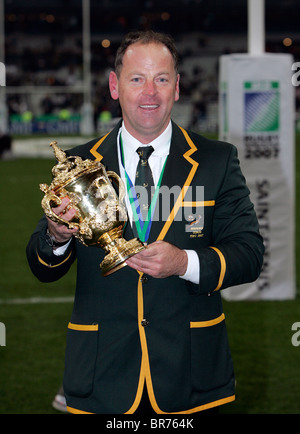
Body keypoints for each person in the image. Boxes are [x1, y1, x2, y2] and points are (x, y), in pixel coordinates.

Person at [26, 30, 264, 415]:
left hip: (191, 378)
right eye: (137, 78)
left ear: (178, 87)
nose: (150, 92)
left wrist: (183, 263)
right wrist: (57, 235)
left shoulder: (216, 160)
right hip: (101, 377)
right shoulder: (77, 165)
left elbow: (250, 254)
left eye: (162, 79)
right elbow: (42, 268)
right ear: (115, 86)